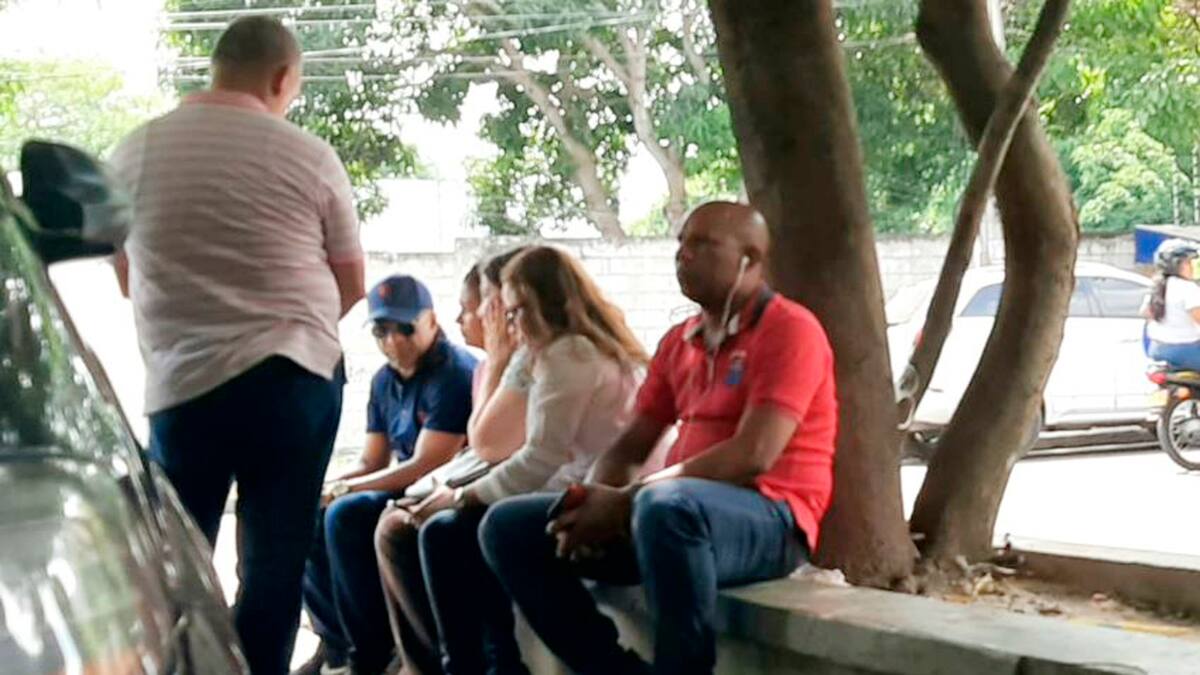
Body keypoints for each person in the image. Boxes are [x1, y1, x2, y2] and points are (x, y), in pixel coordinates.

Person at [479, 201, 838, 675]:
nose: (682, 255)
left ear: (749, 259)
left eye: (702, 244)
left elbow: (753, 454)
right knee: (508, 527)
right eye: (681, 243)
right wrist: (592, 499)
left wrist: (627, 499)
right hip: (671, 517)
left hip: (770, 519)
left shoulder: (790, 330)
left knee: (665, 507)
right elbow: (630, 446)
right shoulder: (680, 341)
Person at [107, 16, 365, 675]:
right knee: (275, 562)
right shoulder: (310, 155)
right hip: (294, 377)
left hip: (185, 384)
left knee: (181, 560)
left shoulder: (133, 152)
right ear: (282, 78)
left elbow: (126, 277)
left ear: (216, 66)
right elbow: (351, 282)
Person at [414, 246, 648, 674]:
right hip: (576, 488)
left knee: (475, 528)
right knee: (446, 532)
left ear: (547, 304)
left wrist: (464, 496)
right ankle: (487, 665)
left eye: (517, 311)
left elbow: (539, 457)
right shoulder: (556, 352)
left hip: (602, 501)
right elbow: (492, 442)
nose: (509, 323)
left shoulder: (572, 354)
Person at [301, 275, 476, 675]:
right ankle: (336, 646)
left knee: (347, 514)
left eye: (404, 328)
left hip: (440, 486)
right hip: (406, 484)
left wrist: (343, 490)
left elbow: (426, 464)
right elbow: (372, 461)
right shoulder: (384, 381)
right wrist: (325, 487)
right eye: (381, 330)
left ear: (431, 321)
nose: (393, 340)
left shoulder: (453, 374)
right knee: (306, 512)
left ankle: (371, 653)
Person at [372, 248, 532, 675]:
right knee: (378, 519)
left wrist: (457, 495)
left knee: (426, 529)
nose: (464, 318)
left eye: (473, 307)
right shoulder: (486, 369)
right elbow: (478, 450)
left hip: (533, 484)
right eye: (381, 330)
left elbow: (488, 445)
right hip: (496, 476)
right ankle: (393, 657)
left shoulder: (503, 366)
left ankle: (455, 664)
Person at [1145, 238, 1200, 371]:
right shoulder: (1188, 288)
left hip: (1156, 349)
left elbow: (1146, 312)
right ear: (1176, 265)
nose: (1192, 267)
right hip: (1185, 352)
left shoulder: (1156, 286)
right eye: (1188, 262)